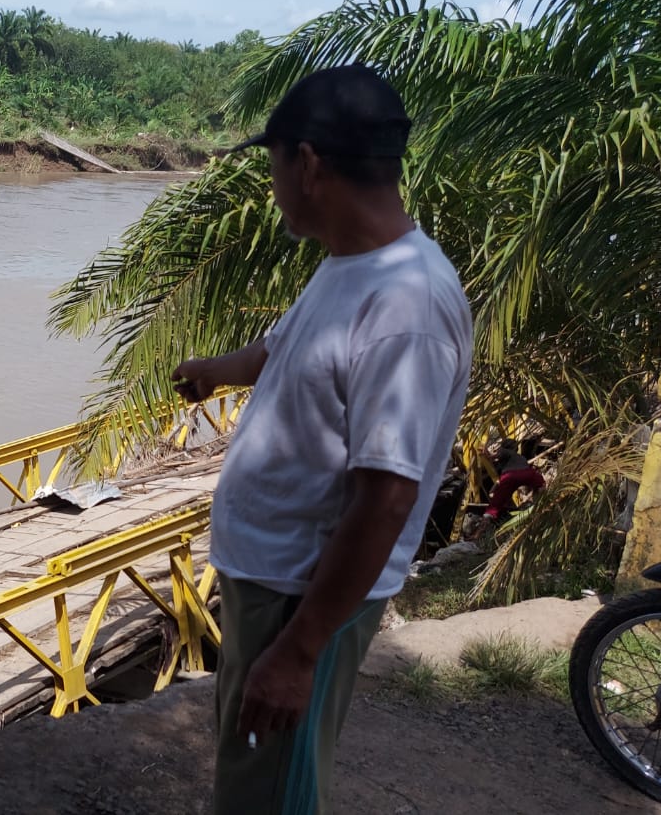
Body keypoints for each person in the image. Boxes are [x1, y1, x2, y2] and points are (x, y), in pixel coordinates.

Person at [172, 64, 472, 815]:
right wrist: (215, 371)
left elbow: (387, 497)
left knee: (267, 796)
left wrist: (300, 650)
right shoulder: (350, 265)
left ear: (306, 163)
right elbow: (281, 350)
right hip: (268, 583)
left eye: (273, 164)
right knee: (251, 781)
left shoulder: (407, 304)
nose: (273, 184)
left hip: (298, 598)